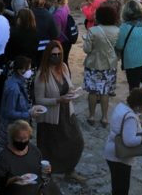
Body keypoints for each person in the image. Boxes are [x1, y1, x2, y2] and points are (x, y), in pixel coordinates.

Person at [34, 40, 85, 182]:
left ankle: (69, 169)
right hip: (51, 116)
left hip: (67, 112)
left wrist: (72, 92)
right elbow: (39, 100)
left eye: (58, 54)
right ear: (47, 56)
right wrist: (58, 100)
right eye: (53, 55)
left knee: (77, 141)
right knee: (51, 147)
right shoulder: (42, 74)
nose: (56, 57)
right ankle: (49, 173)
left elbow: (69, 86)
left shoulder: (63, 67)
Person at [104, 87, 142, 195]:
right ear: (139, 105)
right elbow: (129, 141)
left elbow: (123, 127)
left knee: (117, 186)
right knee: (121, 189)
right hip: (119, 157)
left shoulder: (121, 107)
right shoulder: (130, 117)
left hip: (111, 150)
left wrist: (140, 123)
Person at [83, 5, 119, 127]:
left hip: (93, 64)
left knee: (92, 91)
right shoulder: (117, 30)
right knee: (105, 92)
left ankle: (92, 116)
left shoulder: (93, 31)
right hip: (109, 65)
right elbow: (118, 47)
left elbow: (87, 49)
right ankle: (104, 117)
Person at [0, 120, 50, 195]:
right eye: (19, 138)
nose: (22, 141)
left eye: (25, 138)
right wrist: (12, 180)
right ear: (12, 137)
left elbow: (42, 176)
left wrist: (47, 171)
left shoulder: (35, 151)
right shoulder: (4, 157)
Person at [0, 56, 38, 148]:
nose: (30, 71)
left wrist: (31, 108)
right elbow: (9, 112)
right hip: (14, 129)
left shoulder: (16, 81)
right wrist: (29, 113)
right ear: (20, 71)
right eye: (28, 69)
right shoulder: (14, 89)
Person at [115, 0, 142, 91]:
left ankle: (135, 100)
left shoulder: (124, 27)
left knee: (134, 88)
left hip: (132, 63)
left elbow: (119, 45)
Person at [30, 0, 58, 67]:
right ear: (44, 1)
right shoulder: (48, 15)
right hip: (45, 48)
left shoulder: (29, 13)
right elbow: (54, 34)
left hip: (32, 47)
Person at [53, 0, 73, 66]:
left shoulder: (57, 15)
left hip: (61, 42)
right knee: (65, 62)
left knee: (60, 63)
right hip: (68, 39)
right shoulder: (66, 7)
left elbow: (58, 33)